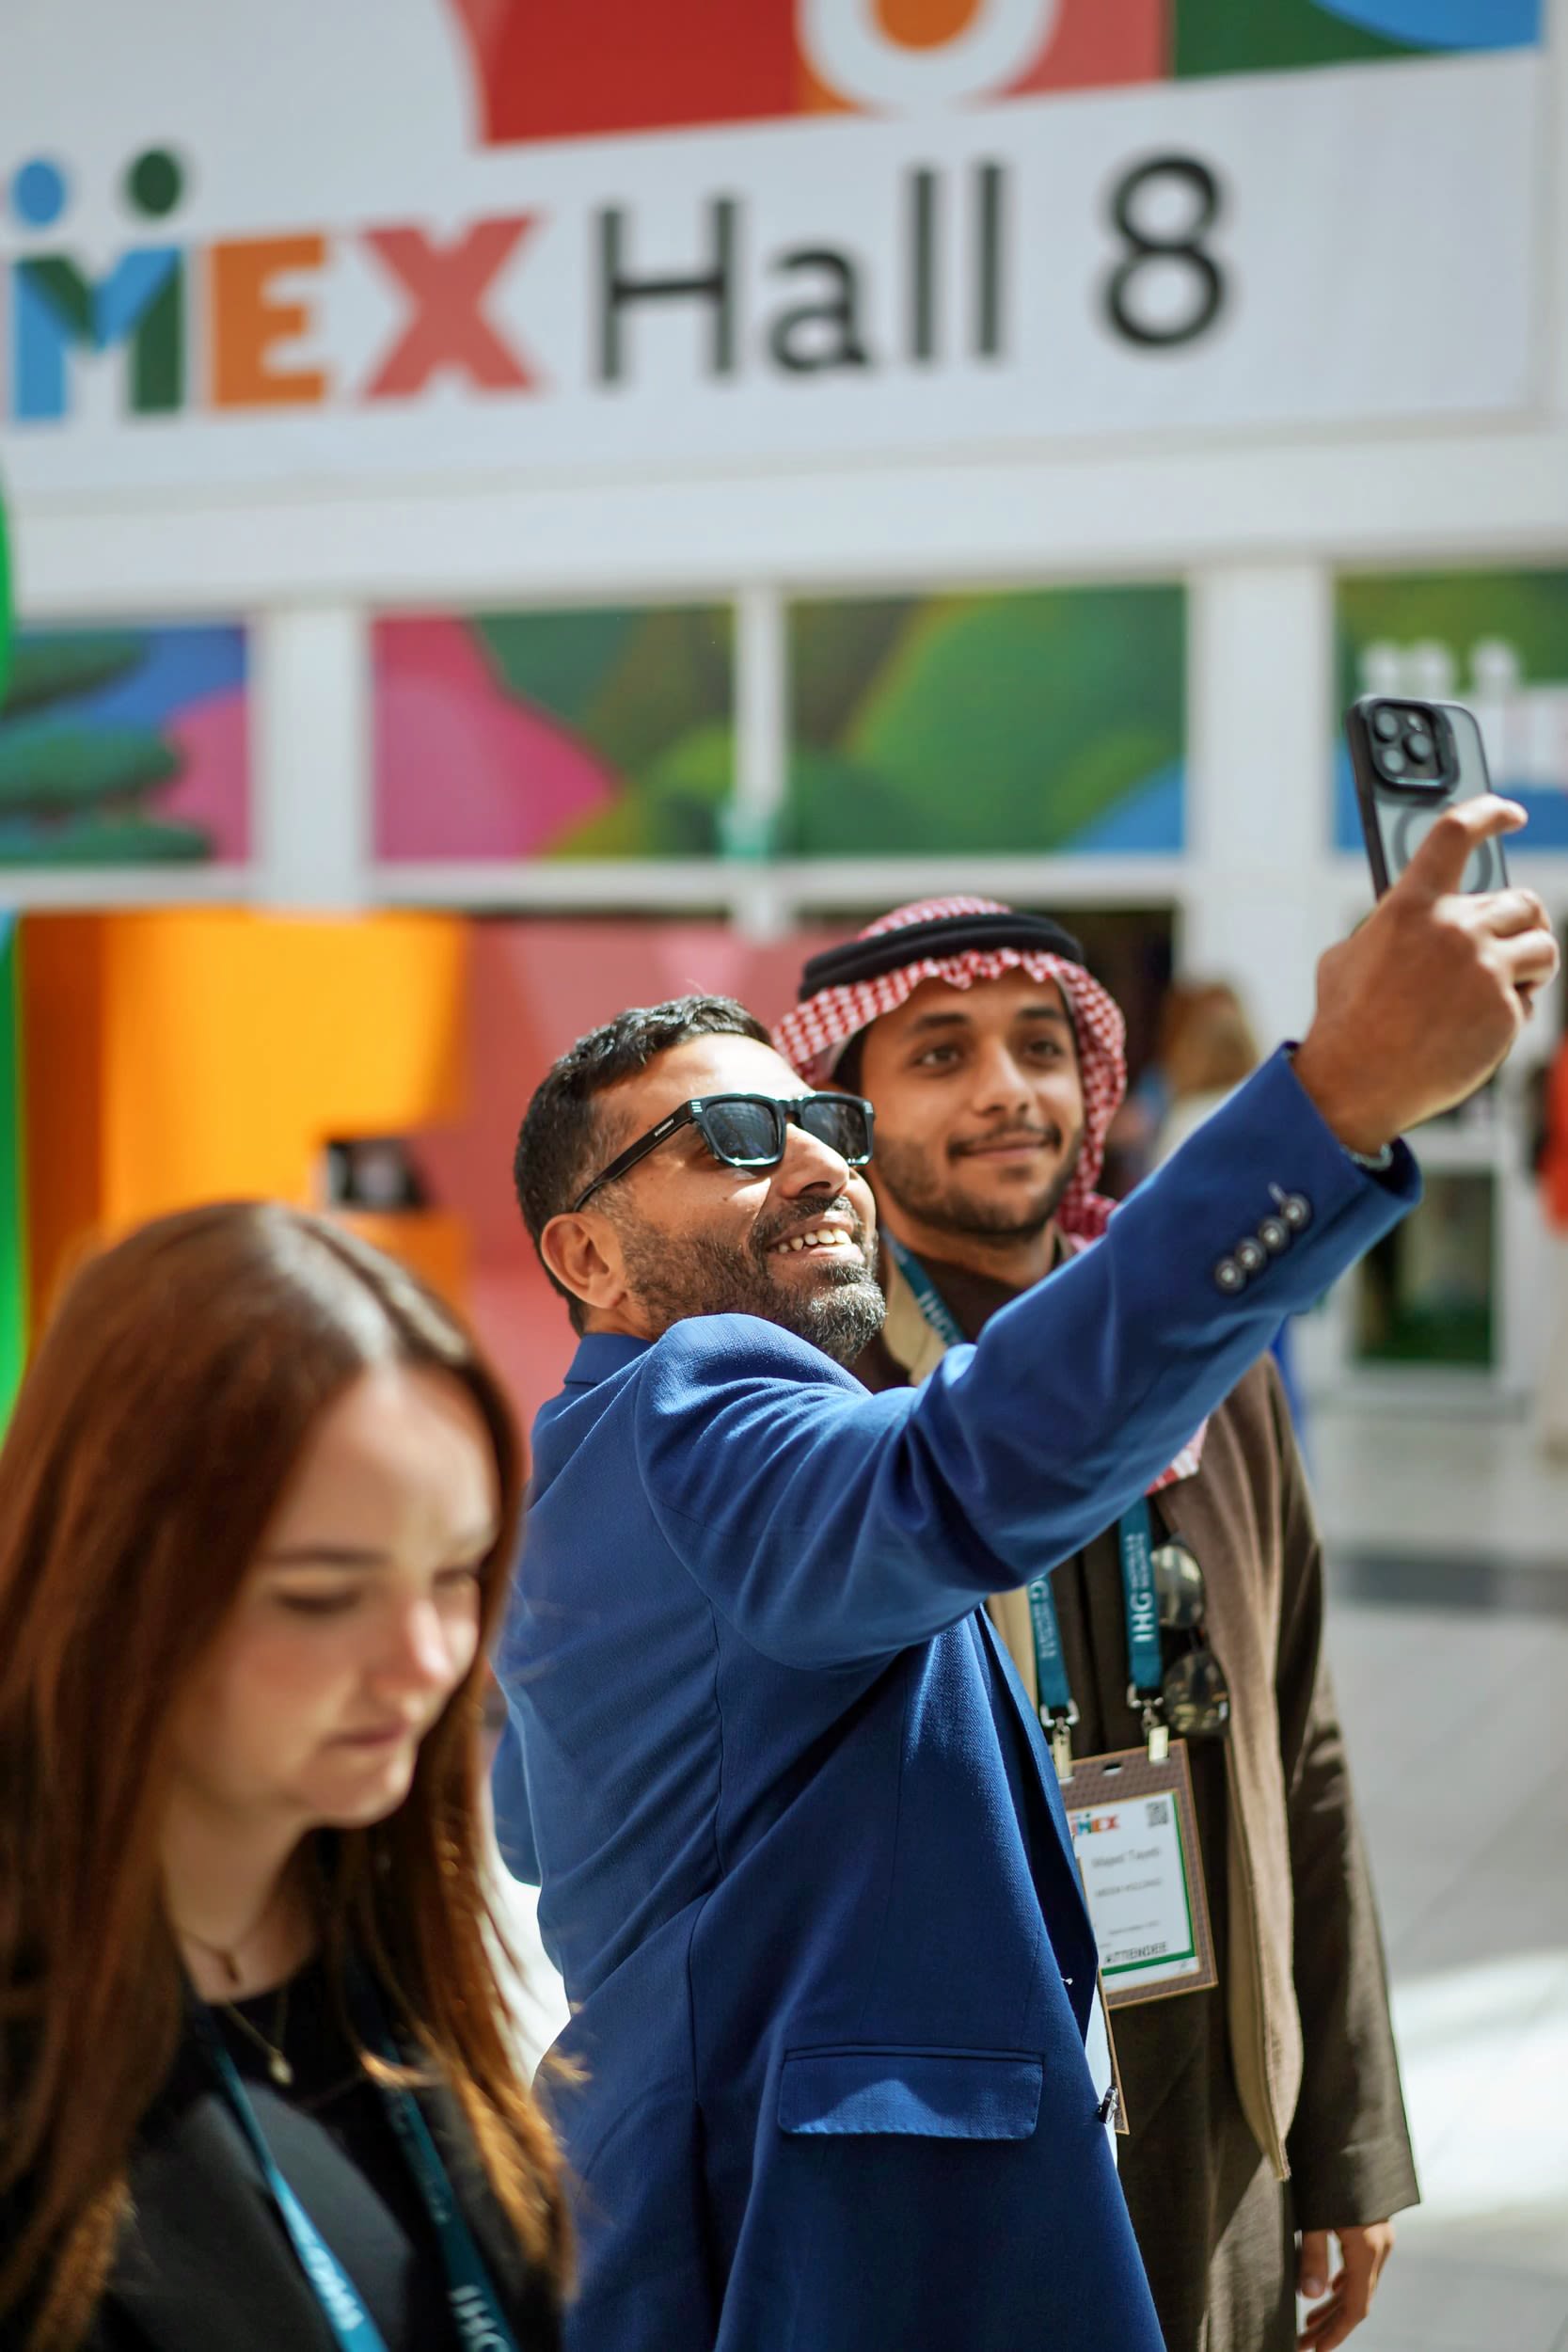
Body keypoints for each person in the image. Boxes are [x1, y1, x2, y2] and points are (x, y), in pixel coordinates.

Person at [495, 799, 1551, 2352]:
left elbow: (1299, 1746)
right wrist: (1328, 1105)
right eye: (730, 1137)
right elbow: (961, 1469)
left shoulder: (650, 1452)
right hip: (834, 2234)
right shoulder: (691, 1403)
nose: (810, 1161)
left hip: (1138, 2101)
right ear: (585, 1261)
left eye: (819, 1127)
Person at [774, 897, 1417, 2352]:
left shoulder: (1206, 1358)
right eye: (939, 1054)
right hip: (959, 2108)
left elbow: (1298, 1740)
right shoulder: (817, 1398)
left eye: (1039, 1046)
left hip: (1218, 2070)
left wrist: (1345, 2135)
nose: (1008, 1087)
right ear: (848, 1115)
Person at [0, 1203, 568, 2352]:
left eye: (457, 1575)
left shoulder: (404, 1953)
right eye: (320, 1595)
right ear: (114, 1582)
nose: (427, 1661)